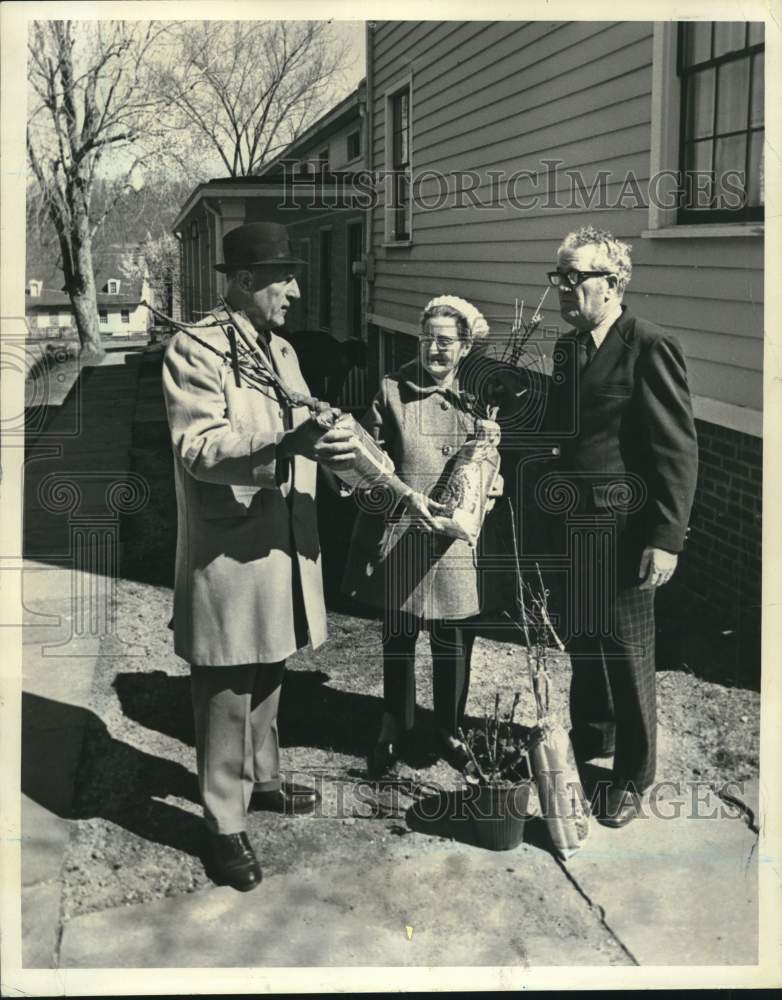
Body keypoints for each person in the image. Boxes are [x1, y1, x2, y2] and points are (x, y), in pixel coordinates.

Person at [162, 221, 358, 891]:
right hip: (232, 542)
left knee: (271, 660)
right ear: (245, 282)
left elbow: (296, 423)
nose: (297, 291)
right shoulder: (197, 350)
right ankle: (222, 819)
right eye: (285, 278)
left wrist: (335, 444)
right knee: (227, 681)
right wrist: (286, 443)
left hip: (282, 539)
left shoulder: (279, 349)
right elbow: (199, 446)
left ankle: (261, 777)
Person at [542, 225, 698, 827]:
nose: (564, 287)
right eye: (560, 275)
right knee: (586, 643)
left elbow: (676, 452)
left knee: (629, 656)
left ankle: (633, 774)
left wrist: (666, 539)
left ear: (613, 284)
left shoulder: (649, 344)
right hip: (575, 529)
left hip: (628, 533)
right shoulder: (568, 347)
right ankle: (594, 739)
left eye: (575, 277)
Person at [342, 295, 500, 777]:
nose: (435, 349)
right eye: (427, 339)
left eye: (446, 341)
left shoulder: (480, 398)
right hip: (403, 532)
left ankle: (449, 729)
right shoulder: (392, 391)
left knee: (453, 638)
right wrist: (395, 497)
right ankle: (395, 724)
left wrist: (488, 491)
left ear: (465, 347)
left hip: (452, 542)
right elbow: (366, 462)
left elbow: (493, 461)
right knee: (399, 636)